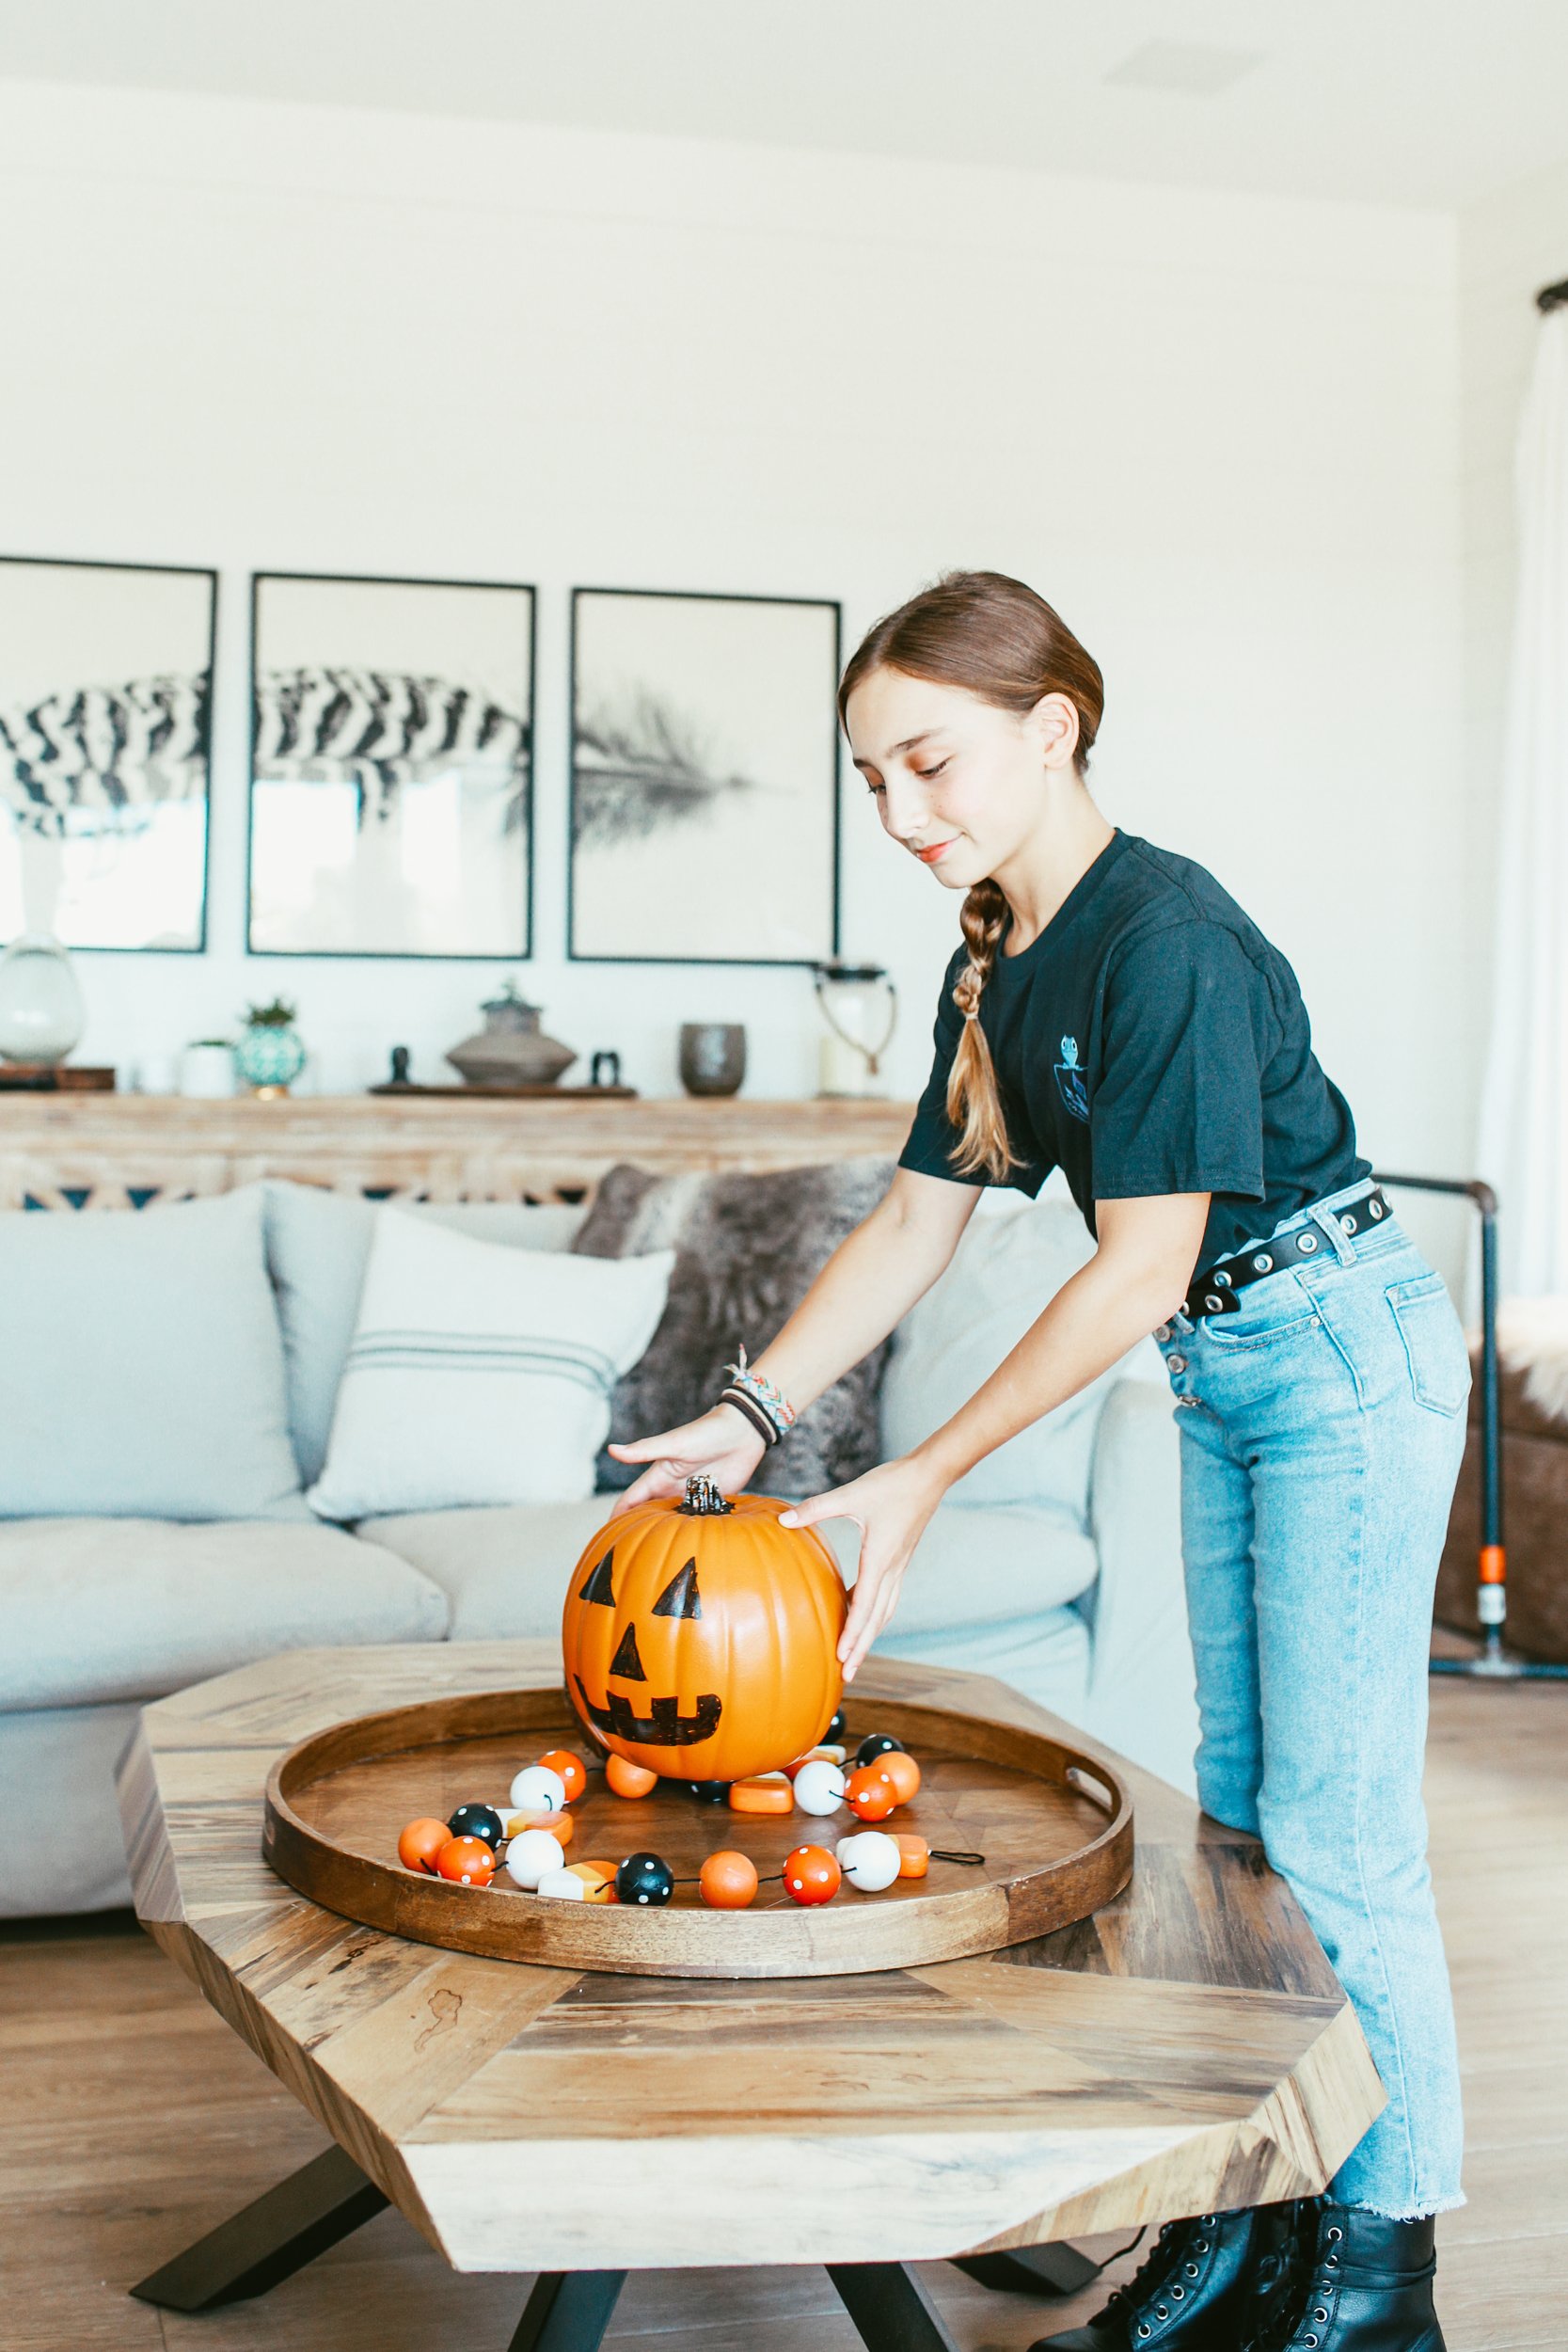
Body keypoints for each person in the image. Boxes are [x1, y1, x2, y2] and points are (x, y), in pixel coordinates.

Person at [608, 571, 1467, 2352]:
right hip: (1233, 1373)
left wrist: (914, 1474)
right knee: (1242, 1830)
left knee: (1340, 1836)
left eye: (929, 765)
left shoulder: (1168, 936)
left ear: (1052, 725)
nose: (904, 818)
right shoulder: (998, 946)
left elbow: (1138, 1262)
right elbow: (916, 1224)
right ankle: (1248, 2226)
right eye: (874, 786)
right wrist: (751, 1411)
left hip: (1339, 1359)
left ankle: (1382, 2274)